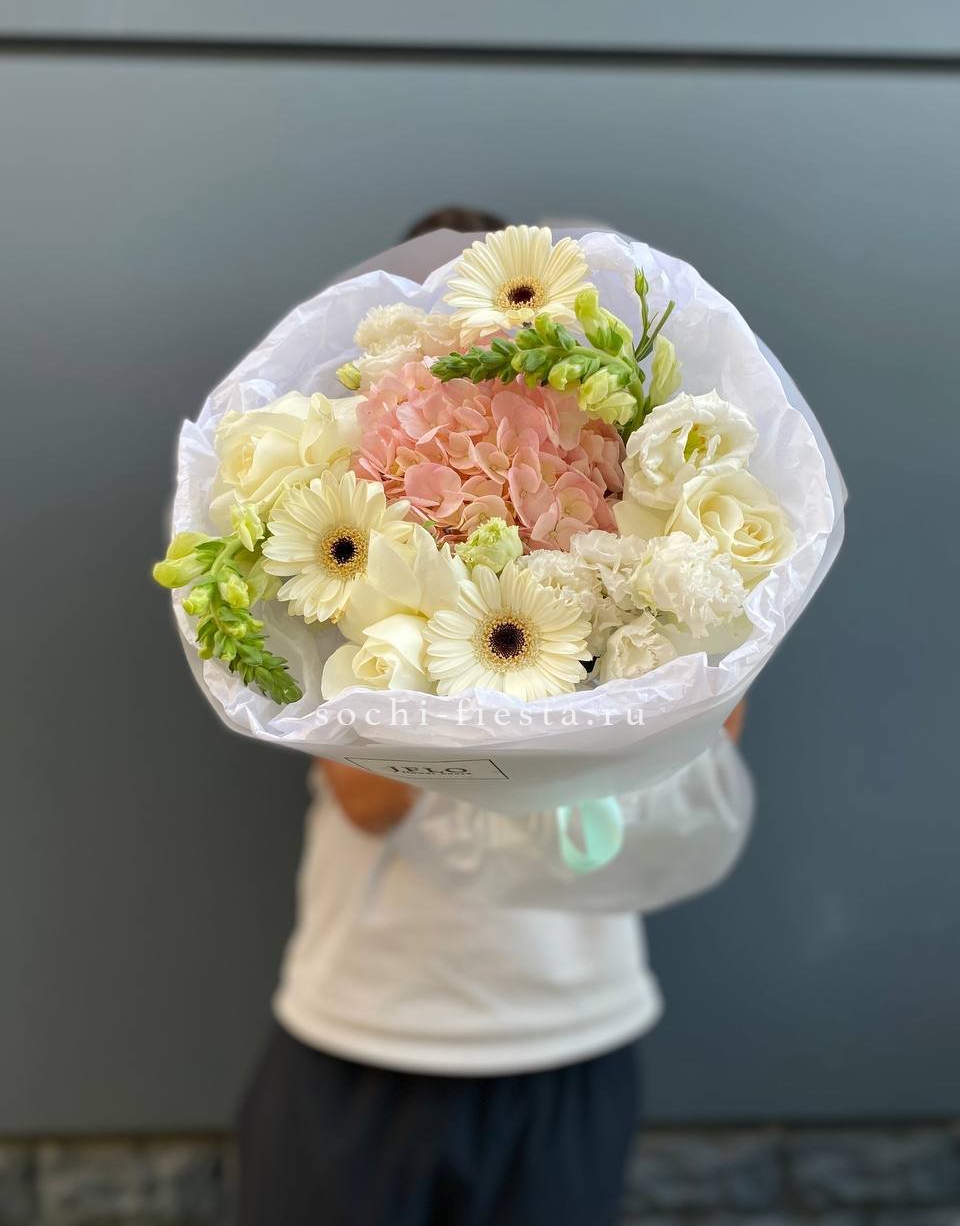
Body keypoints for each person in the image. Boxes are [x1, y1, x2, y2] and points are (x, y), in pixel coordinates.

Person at [237, 210, 751, 1226]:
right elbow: (369, 800)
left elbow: (706, 741)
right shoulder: (348, 524)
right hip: (368, 1030)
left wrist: (607, 613)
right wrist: (437, 609)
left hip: (572, 1027)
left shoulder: (632, 530)